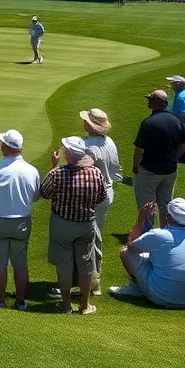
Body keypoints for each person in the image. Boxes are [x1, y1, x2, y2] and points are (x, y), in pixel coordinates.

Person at [38, 136, 107, 315]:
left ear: (68, 154)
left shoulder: (57, 173)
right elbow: (101, 197)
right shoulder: (96, 173)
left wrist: (52, 166)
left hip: (62, 224)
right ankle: (84, 305)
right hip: (86, 224)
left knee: (64, 264)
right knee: (85, 264)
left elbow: (44, 193)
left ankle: (67, 305)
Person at [0, 128, 40, 310]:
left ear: (6, 147)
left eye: (2, 143)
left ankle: (0, 300)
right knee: (20, 263)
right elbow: (35, 197)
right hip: (22, 222)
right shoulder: (32, 170)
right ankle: (20, 302)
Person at [110, 198, 185, 308]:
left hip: (161, 296)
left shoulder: (159, 235)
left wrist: (141, 220)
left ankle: (136, 288)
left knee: (124, 252)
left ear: (170, 218)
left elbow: (131, 248)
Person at [132, 90, 185, 227]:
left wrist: (135, 166)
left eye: (150, 99)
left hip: (150, 170)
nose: (148, 101)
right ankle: (166, 233)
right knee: (166, 205)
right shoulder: (177, 121)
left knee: (147, 206)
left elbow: (140, 149)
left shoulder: (148, 123)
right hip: (170, 171)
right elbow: (184, 146)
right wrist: (173, 158)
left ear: (157, 102)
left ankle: (148, 235)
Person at [81, 108, 121, 296]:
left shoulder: (87, 145)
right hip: (107, 191)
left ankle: (91, 280)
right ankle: (93, 278)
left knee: (88, 236)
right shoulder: (110, 142)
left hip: (92, 195)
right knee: (95, 234)